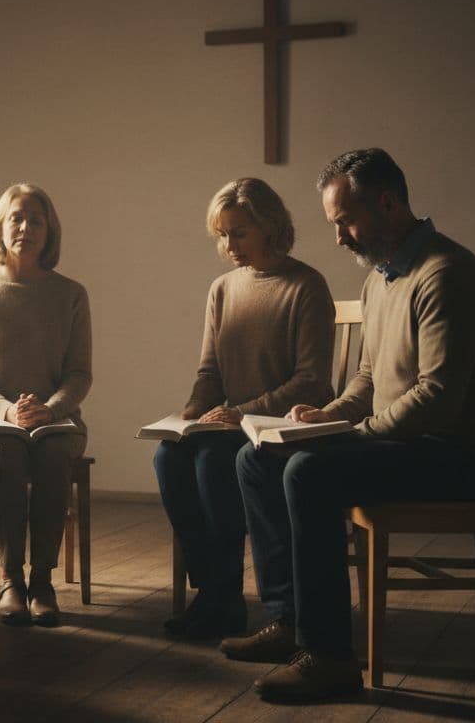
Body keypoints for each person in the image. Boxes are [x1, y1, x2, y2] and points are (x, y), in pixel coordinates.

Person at [219, 148, 475, 701]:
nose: (338, 237)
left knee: (309, 472)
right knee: (256, 457)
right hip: (408, 445)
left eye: (345, 220)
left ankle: (328, 657)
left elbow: (438, 400)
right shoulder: (383, 276)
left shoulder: (446, 274)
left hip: (461, 457)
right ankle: (287, 624)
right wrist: (323, 419)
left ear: (388, 203)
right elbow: (369, 377)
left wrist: (346, 439)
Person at [155, 178, 334, 640]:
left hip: (280, 427)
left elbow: (311, 382)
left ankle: (226, 601)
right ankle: (212, 590)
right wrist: (190, 416)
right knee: (168, 457)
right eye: (222, 235)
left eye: (238, 232)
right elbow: (209, 370)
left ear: (269, 225)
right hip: (231, 423)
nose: (228, 245)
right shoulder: (223, 288)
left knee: (217, 460)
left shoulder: (306, 285)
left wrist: (241, 413)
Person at [0, 183, 91, 627]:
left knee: (52, 454)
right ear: (0, 225)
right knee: (6, 452)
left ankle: (43, 581)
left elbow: (79, 374)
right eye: (16, 217)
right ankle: (11, 579)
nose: (25, 227)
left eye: (36, 219)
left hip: (55, 418)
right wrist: (8, 412)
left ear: (49, 231)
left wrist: (49, 410)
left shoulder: (71, 294)